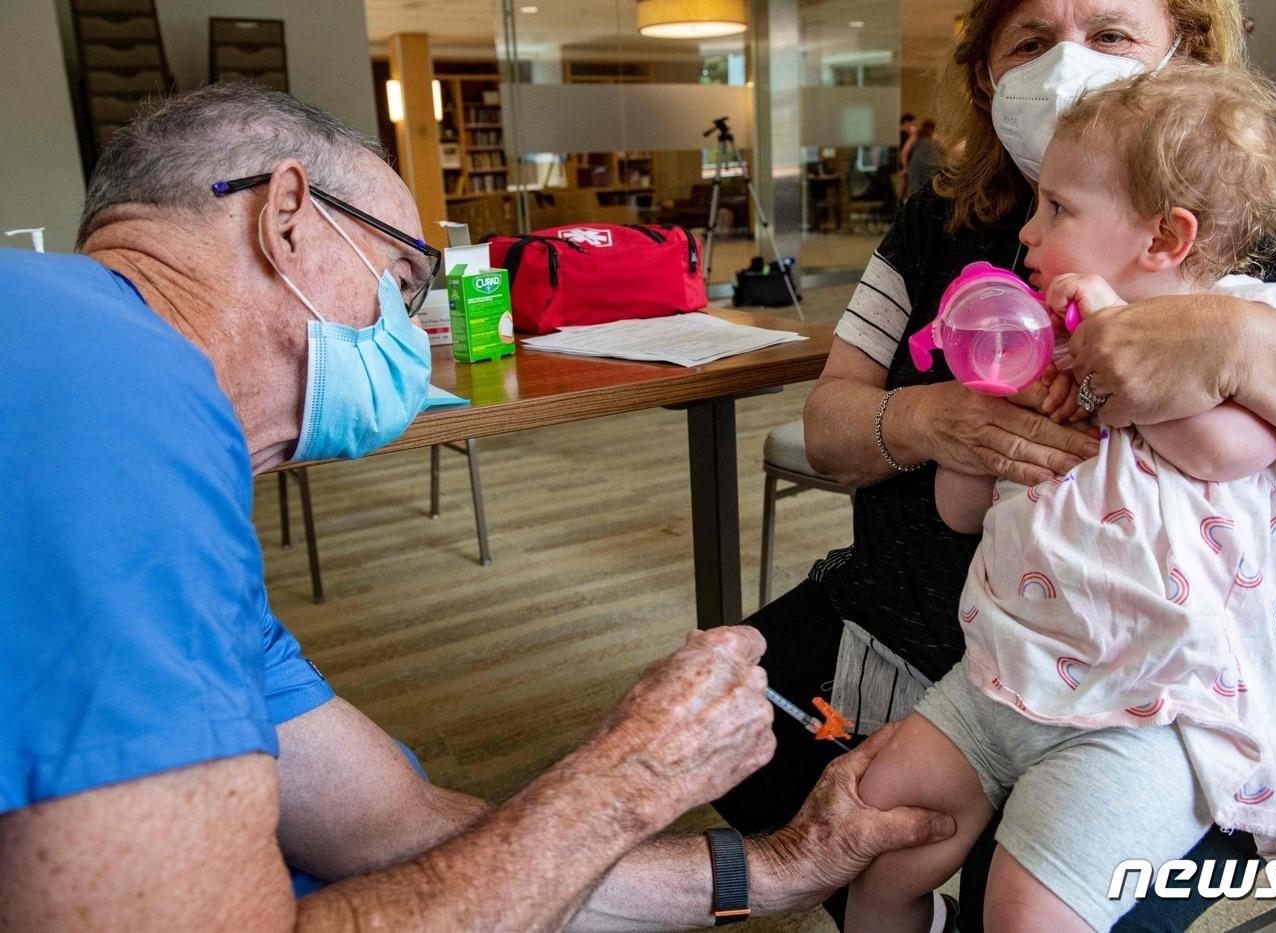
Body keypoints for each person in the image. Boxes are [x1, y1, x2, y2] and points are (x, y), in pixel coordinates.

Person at [0, 83, 956, 930]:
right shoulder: (118, 396)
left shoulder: (94, 378)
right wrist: (624, 779)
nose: (409, 338)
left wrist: (780, 867)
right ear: (287, 216)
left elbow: (390, 822)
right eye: (400, 283)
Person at [714, 1, 1276, 930]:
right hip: (983, 655)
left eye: (1110, 34)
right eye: (1031, 42)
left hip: (1150, 691)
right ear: (986, 71)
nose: (1067, 64)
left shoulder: (1262, 194)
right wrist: (947, 420)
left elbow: (1249, 451)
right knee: (761, 748)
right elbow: (868, 444)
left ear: (1187, 47)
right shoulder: (948, 220)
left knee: (1022, 901)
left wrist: (1218, 344)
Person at [848, 63, 1276, 933]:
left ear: (1164, 237)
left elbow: (1231, 453)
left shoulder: (1245, 321)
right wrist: (987, 417)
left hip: (1149, 712)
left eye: (1058, 209)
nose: (1027, 232)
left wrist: (1112, 342)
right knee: (872, 842)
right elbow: (960, 511)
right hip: (996, 678)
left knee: (1026, 914)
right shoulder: (1036, 344)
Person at [905, 120, 943, 200]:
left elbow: (904, 153)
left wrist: (906, 167)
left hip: (916, 169)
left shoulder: (916, 139)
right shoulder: (932, 141)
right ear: (932, 130)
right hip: (931, 169)